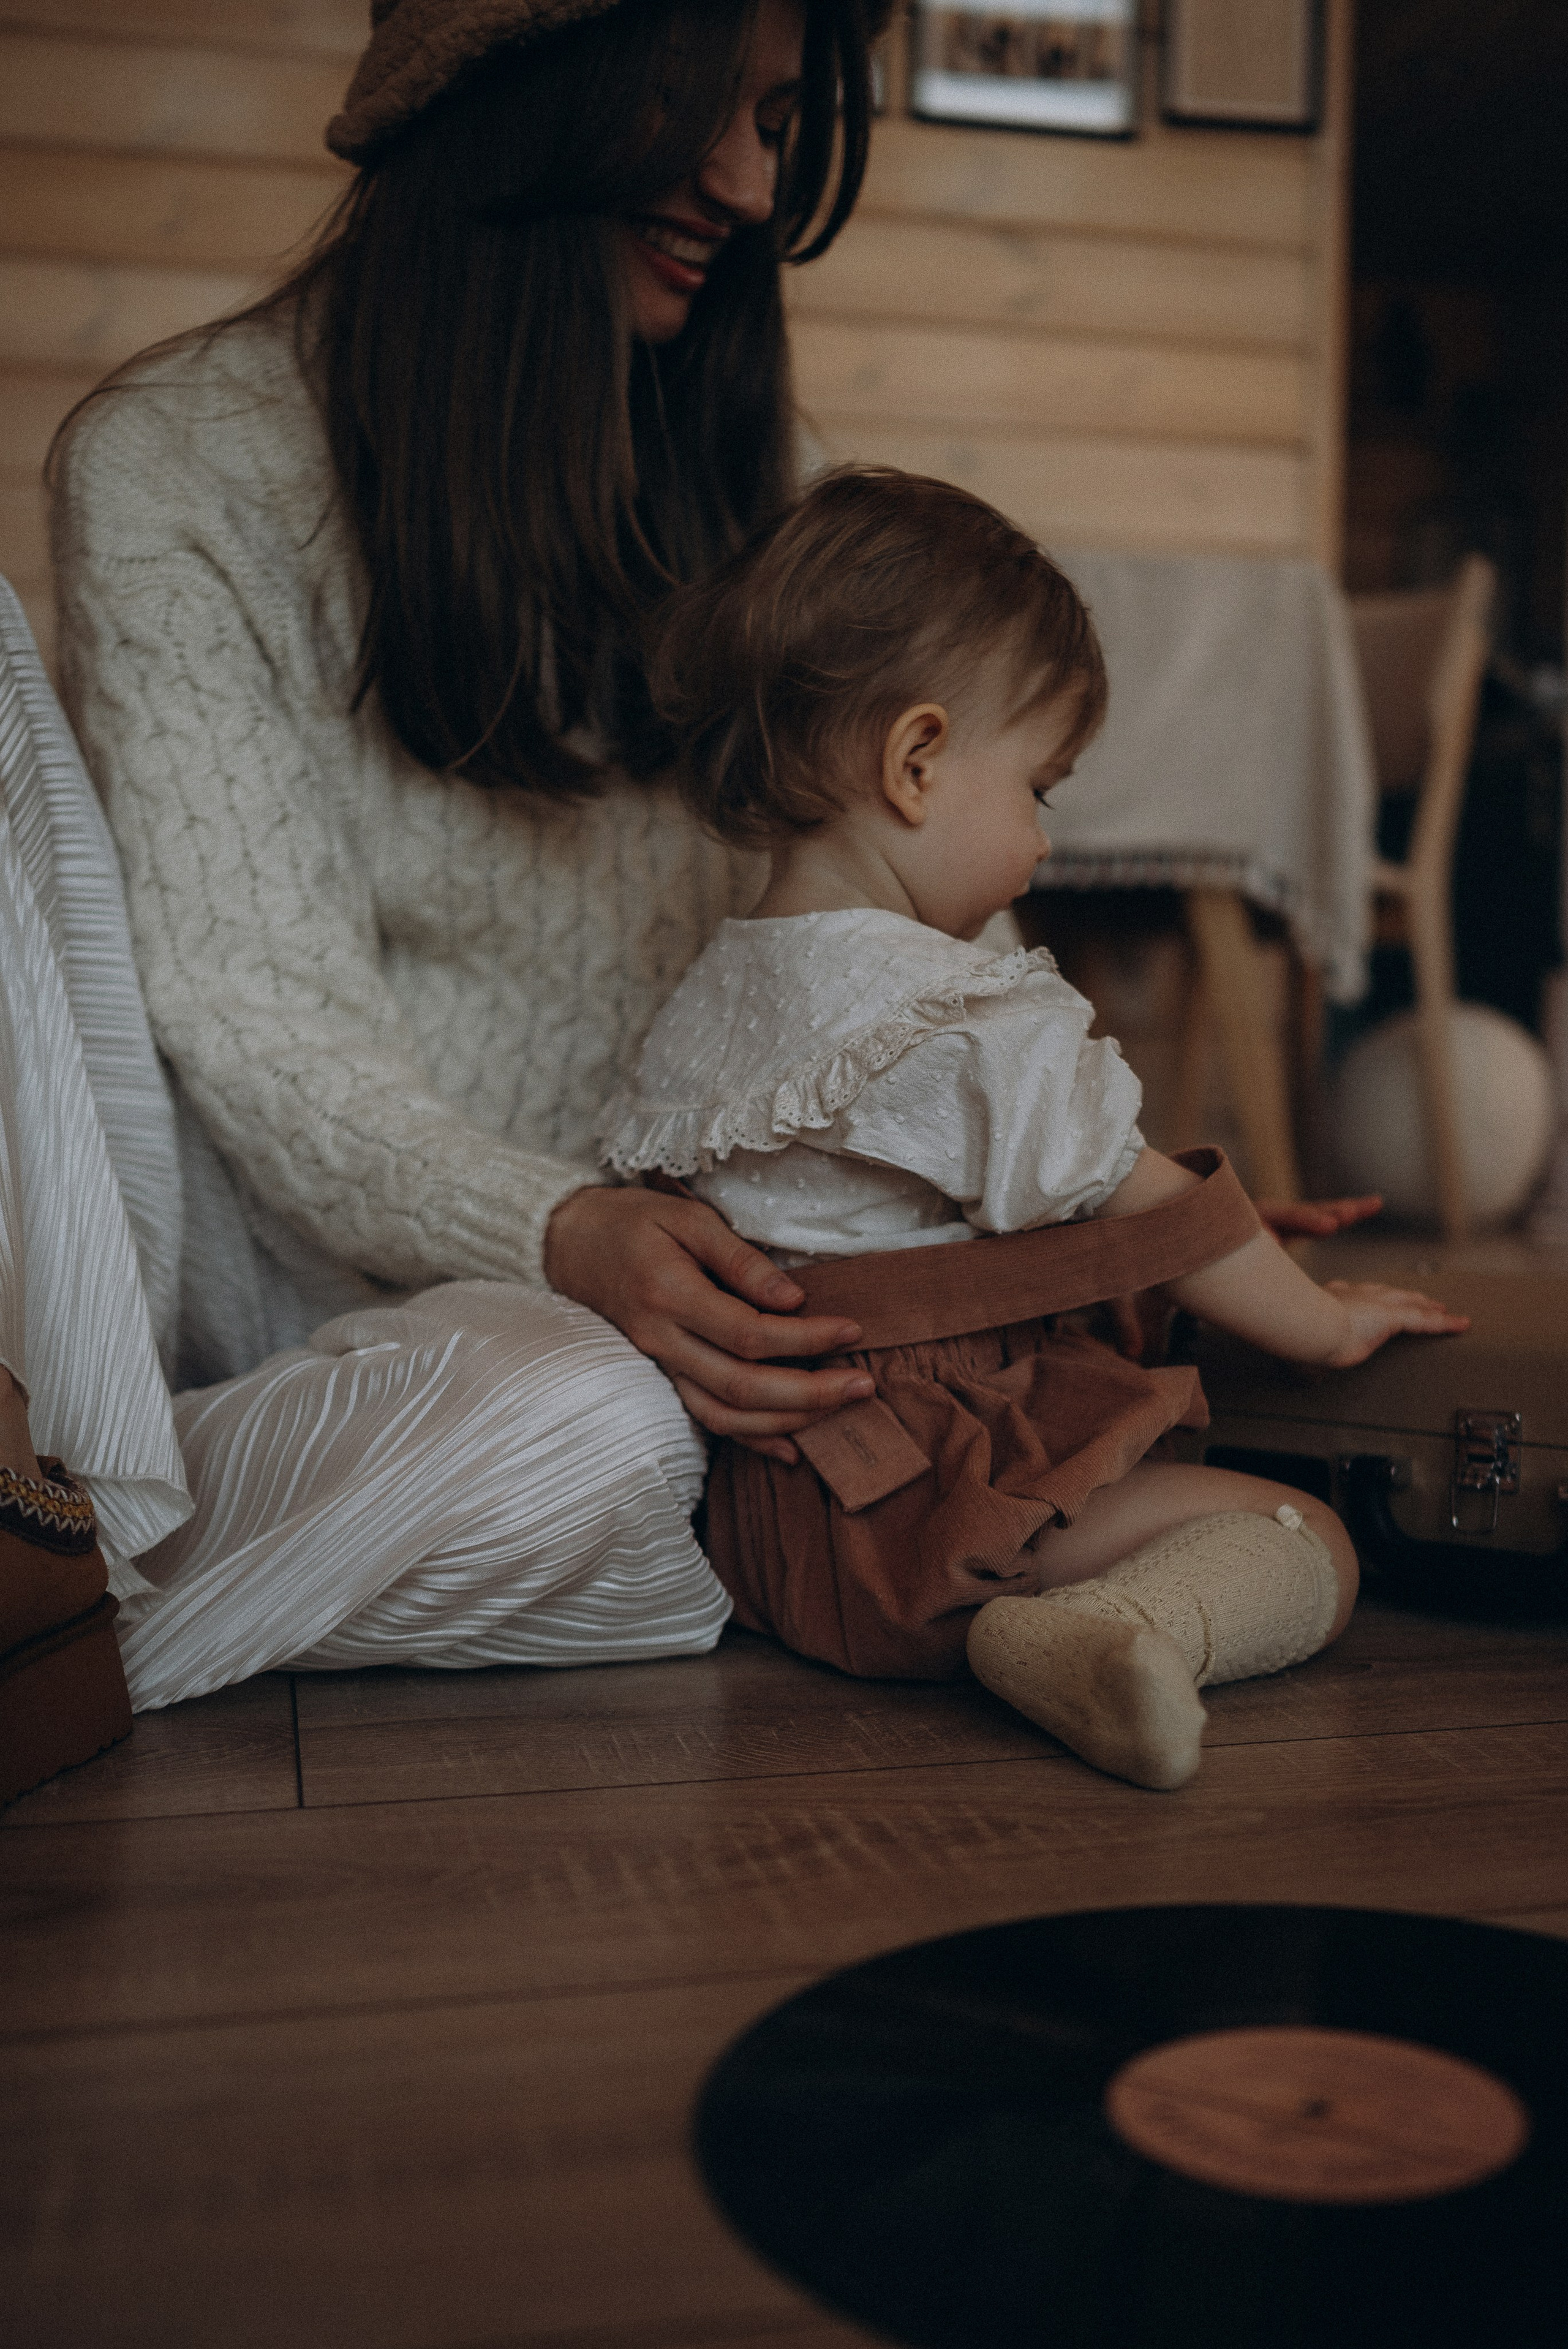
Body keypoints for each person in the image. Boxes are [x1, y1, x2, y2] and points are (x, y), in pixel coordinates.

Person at [33, 0, 894, 1722]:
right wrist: (560, 1231)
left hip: (695, 1291)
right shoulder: (182, 465)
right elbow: (258, 1025)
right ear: (512, 98)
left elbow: (901, 881)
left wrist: (1092, 1169)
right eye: (692, 105)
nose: (740, 179)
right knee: (591, 1431)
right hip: (346, 1298)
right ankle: (80, 1613)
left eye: (781, 123)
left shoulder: (748, 487)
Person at [598, 467, 1468, 1790]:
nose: (1041, 844)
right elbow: (1154, 1216)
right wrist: (1321, 1323)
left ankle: (1056, 1625)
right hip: (932, 1518)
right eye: (1040, 790)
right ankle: (1108, 1629)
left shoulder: (710, 996)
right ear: (917, 760)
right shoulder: (957, 1007)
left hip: (772, 1531)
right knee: (1300, 1538)